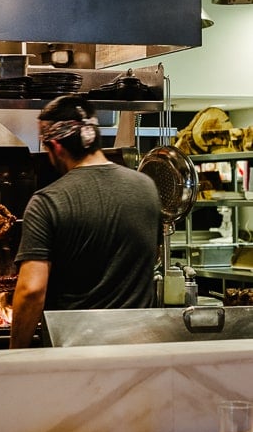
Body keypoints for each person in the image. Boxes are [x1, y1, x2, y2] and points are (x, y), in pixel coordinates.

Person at [10, 94, 163, 348]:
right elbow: (152, 258)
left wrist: (15, 354)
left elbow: (32, 290)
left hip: (76, 354)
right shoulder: (146, 188)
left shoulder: (48, 201)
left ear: (56, 146)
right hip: (139, 349)